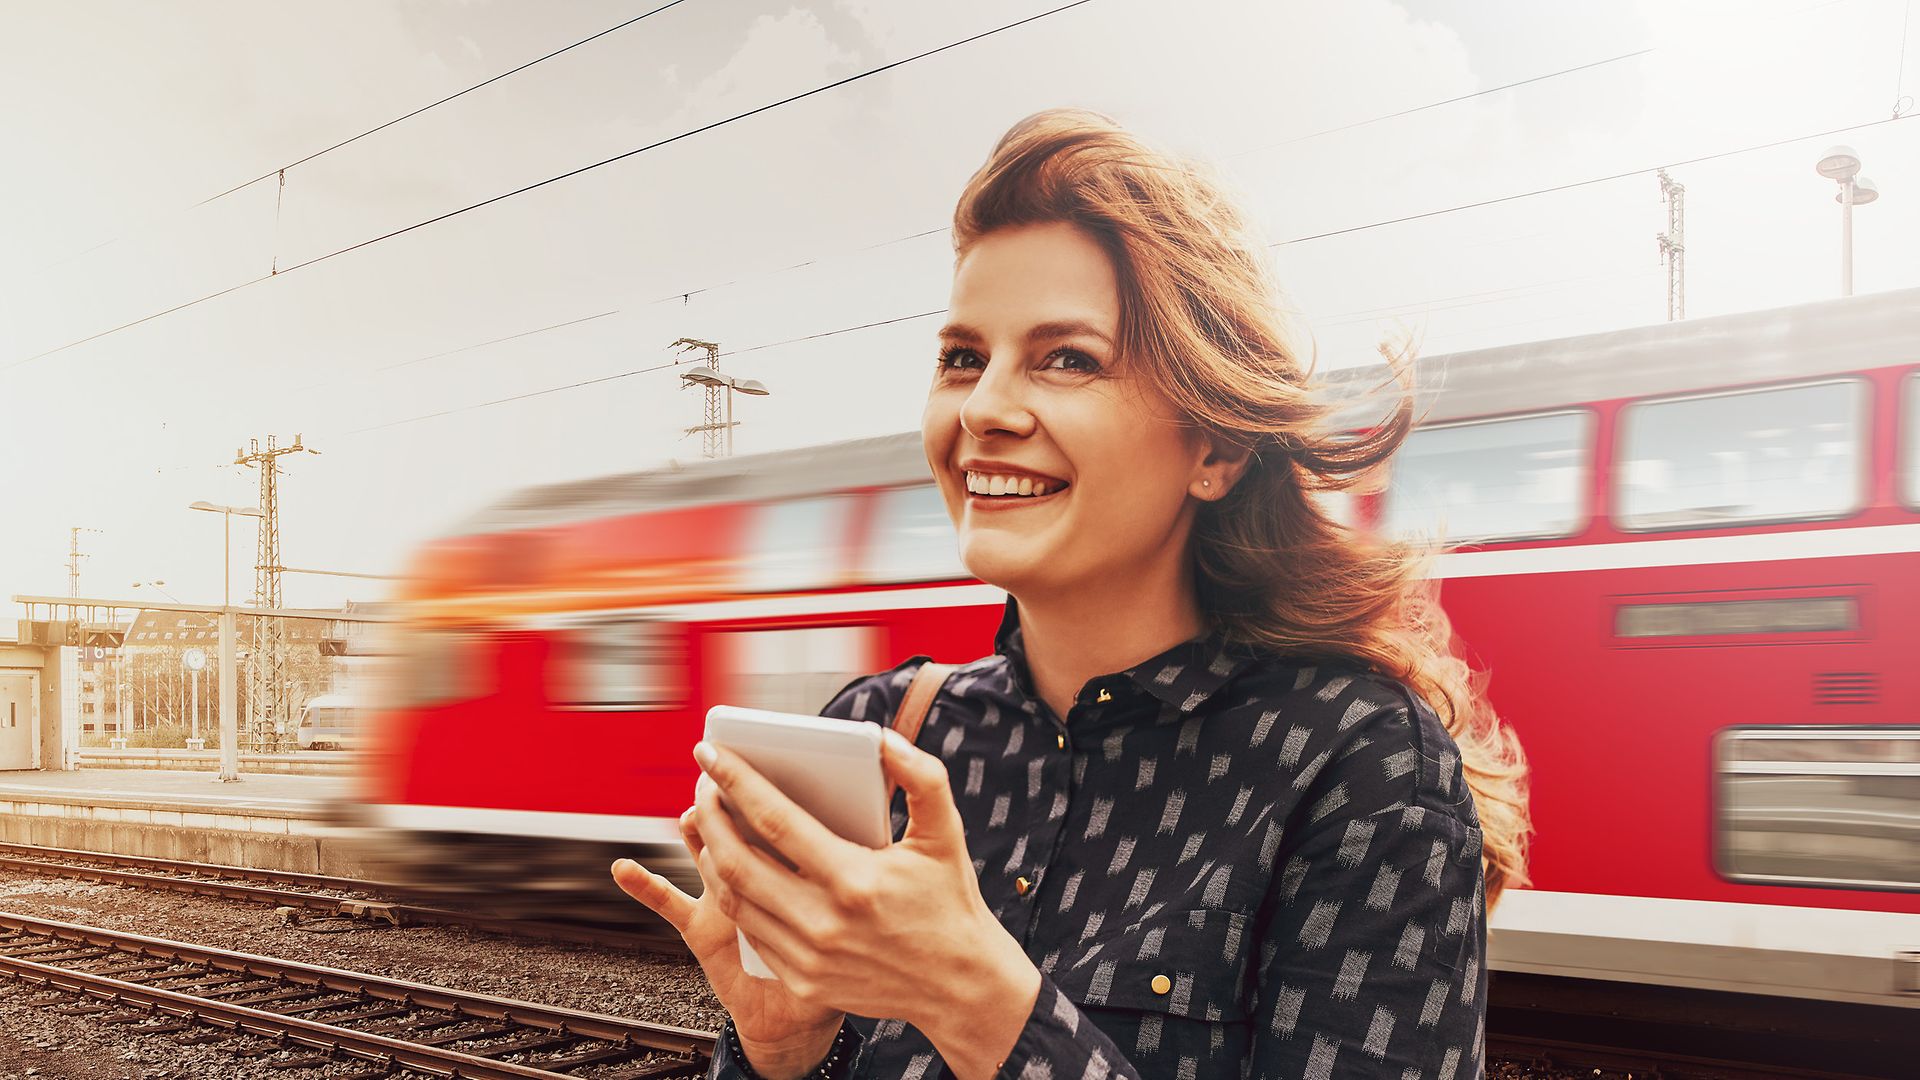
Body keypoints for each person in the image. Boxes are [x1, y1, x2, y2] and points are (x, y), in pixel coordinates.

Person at [612, 108, 1530, 1080]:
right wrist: (779, 1052)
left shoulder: (1355, 770)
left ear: (1212, 447)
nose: (984, 409)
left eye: (1067, 359)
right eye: (964, 356)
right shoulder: (886, 734)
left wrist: (981, 1007)